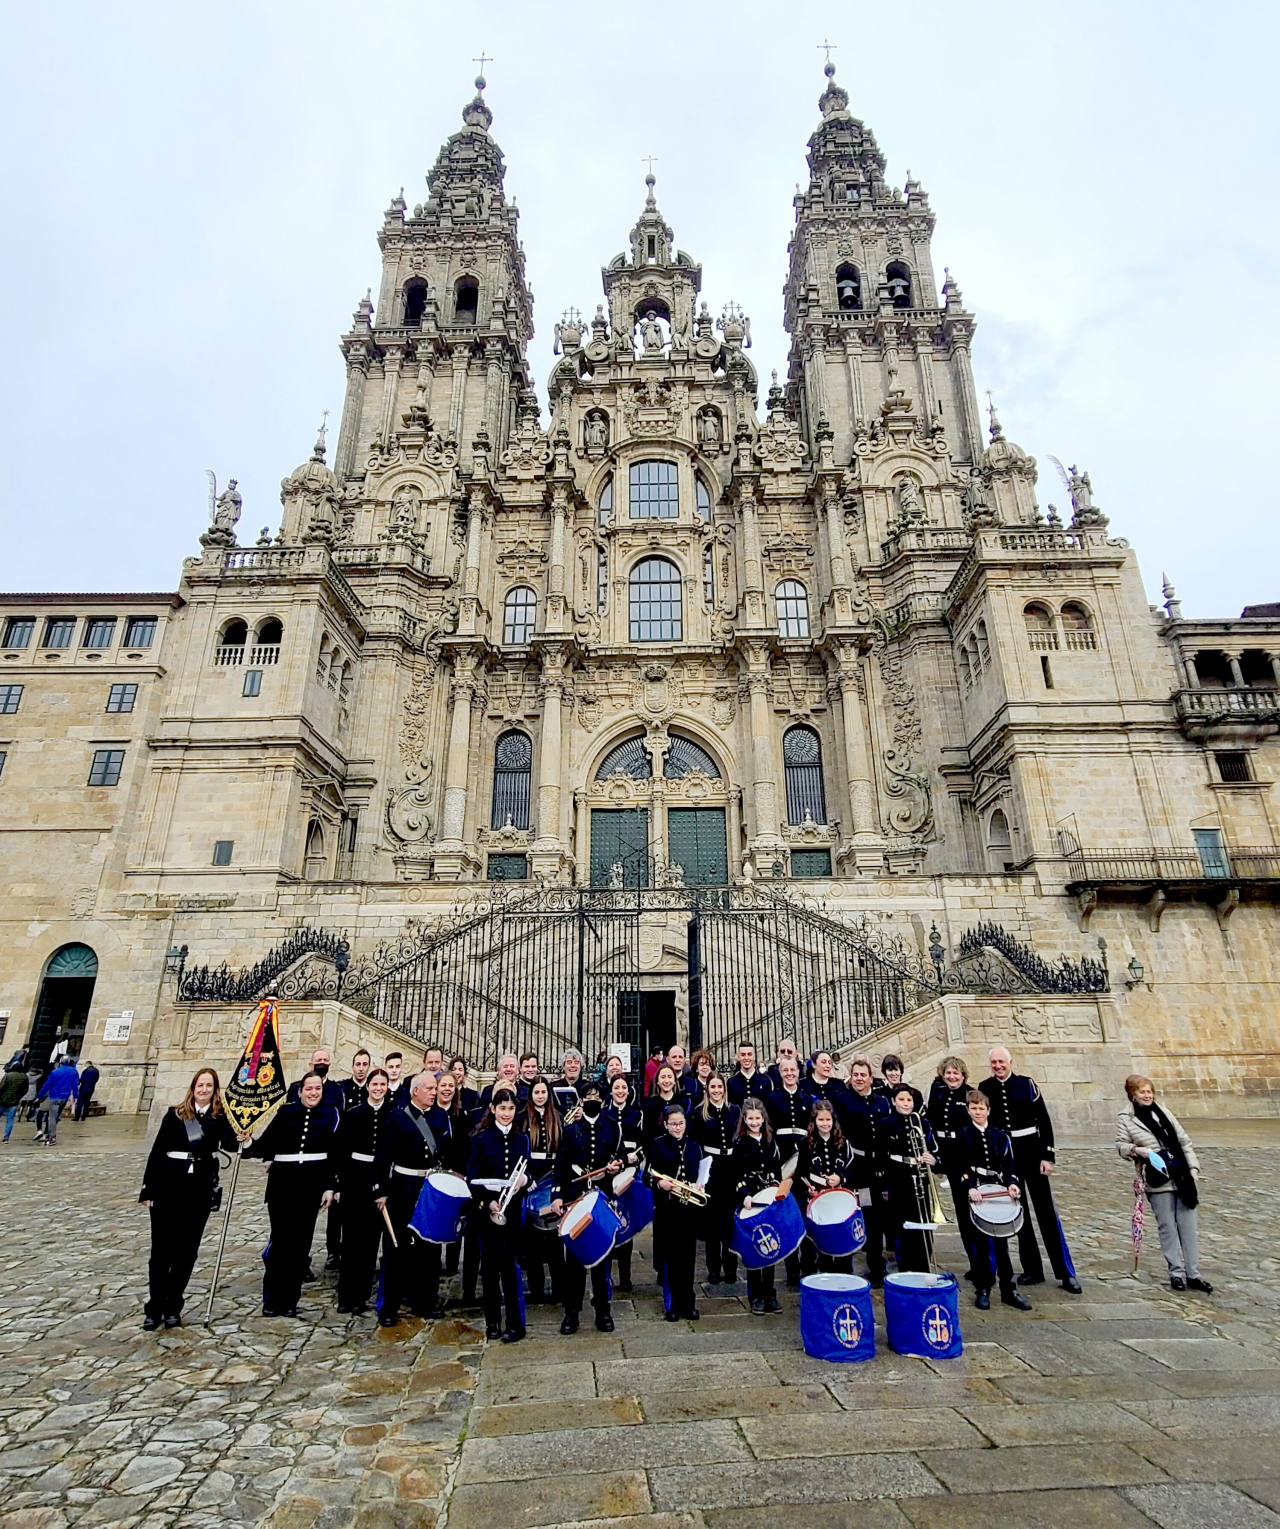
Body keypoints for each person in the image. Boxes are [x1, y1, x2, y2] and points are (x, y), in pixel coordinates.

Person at [139, 1067, 242, 1329]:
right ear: (193, 1088)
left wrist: (240, 1122)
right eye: (200, 1085)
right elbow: (158, 1151)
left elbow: (231, 1145)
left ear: (215, 1089)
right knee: (161, 1253)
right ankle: (154, 1306)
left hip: (198, 1192)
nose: (204, 1090)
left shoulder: (219, 1118)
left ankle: (173, 1304)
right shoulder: (175, 1115)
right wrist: (148, 1189)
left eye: (209, 1086)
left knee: (186, 1253)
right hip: (168, 1187)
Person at [980, 1047, 1082, 1294]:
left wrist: (1048, 1155)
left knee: (1046, 1213)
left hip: (1032, 1154)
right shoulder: (985, 1087)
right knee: (1020, 1214)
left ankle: (1065, 1272)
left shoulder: (1027, 1084)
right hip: (1007, 1159)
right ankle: (1032, 1269)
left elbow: (1043, 1120)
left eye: (1001, 1062)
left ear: (1010, 1062)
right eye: (994, 1062)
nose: (998, 1066)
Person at [249, 1071, 340, 1317]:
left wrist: (330, 1186)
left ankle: (289, 1301)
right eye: (309, 1089)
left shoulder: (330, 1114)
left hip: (310, 1189)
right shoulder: (285, 1113)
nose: (313, 1093)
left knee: (300, 1247)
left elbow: (334, 1154)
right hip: (282, 1187)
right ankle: (272, 1300)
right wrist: (247, 1142)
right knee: (280, 1245)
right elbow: (265, 1146)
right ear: (300, 1091)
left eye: (317, 1089)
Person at [1117, 1074, 1209, 1293]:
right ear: (1133, 1095)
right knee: (1167, 1227)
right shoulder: (1126, 1118)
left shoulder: (1164, 1112)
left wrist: (1194, 1168)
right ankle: (1176, 1273)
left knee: (1188, 1227)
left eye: (1150, 1091)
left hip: (1182, 1176)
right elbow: (1120, 1145)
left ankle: (1193, 1274)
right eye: (1143, 1092)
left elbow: (1184, 1141)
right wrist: (1137, 1150)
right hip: (1157, 1178)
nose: (1147, 1095)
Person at [374, 1072, 445, 1326]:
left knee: (429, 1248)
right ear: (415, 1091)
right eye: (429, 1088)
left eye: (435, 1088)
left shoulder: (439, 1116)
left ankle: (425, 1301)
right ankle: (389, 1307)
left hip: (430, 1189)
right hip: (404, 1189)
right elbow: (382, 1157)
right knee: (397, 1248)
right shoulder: (397, 1119)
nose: (434, 1092)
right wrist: (380, 1190)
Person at [553, 1079, 622, 1334]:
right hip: (577, 1201)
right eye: (588, 1097)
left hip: (601, 1201)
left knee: (602, 1260)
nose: (592, 1100)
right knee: (574, 1262)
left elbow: (621, 1158)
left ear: (602, 1102)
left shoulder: (611, 1128)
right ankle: (572, 1313)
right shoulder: (571, 1131)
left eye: (597, 1097)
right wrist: (557, 1195)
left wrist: (618, 1166)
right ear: (581, 1102)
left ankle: (603, 1311)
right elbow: (560, 1166)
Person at [954, 1090, 1031, 1311]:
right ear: (968, 1111)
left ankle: (1009, 1289)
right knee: (980, 1244)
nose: (978, 1112)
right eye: (974, 1108)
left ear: (988, 1110)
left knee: (1002, 1244)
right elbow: (961, 1165)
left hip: (998, 1190)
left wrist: (1012, 1183)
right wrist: (970, 1187)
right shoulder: (964, 1135)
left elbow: (1009, 1165)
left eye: (981, 1108)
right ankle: (983, 1288)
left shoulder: (1000, 1135)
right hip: (978, 1192)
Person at [467, 1085, 530, 1342]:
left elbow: (529, 1171)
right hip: (488, 1212)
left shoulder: (521, 1140)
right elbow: (472, 1179)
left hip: (512, 1212)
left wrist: (525, 1179)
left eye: (511, 1109)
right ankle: (492, 1321)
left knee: (509, 1266)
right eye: (502, 1108)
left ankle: (515, 1324)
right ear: (493, 1109)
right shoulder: (481, 1140)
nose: (506, 1113)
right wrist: (489, 1202)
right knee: (490, 1268)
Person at [334, 1066, 393, 1313]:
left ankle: (361, 1297)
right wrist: (337, 1184)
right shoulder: (353, 1113)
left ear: (387, 1088)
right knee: (351, 1242)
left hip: (379, 1182)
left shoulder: (392, 1115)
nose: (378, 1088)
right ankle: (346, 1296)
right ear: (368, 1087)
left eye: (382, 1084)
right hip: (355, 1179)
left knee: (371, 1242)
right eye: (374, 1084)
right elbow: (340, 1150)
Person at [839, 1055, 892, 1284]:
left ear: (871, 1078)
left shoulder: (882, 1102)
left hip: (878, 1166)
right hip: (856, 1167)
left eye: (863, 1075)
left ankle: (876, 1264)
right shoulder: (843, 1100)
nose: (859, 1079)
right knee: (854, 1215)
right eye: (856, 1075)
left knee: (876, 1217)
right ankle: (846, 1265)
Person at [649, 1103, 705, 1321]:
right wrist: (660, 1184)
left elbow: (700, 1173)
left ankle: (688, 1303)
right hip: (667, 1208)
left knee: (688, 1257)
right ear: (665, 1124)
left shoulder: (693, 1146)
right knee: (670, 1258)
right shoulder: (658, 1146)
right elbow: (648, 1177)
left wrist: (700, 1185)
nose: (677, 1128)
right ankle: (671, 1304)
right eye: (673, 1124)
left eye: (680, 1123)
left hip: (688, 1208)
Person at [928, 1056, 980, 1281]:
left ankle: (978, 1262)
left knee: (969, 1212)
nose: (951, 1077)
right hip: (945, 1154)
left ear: (963, 1075)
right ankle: (974, 1260)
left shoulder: (969, 1094)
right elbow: (932, 1123)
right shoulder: (938, 1094)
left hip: (962, 1156)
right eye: (948, 1073)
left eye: (955, 1073)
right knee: (960, 1212)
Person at [732, 1098, 786, 1314]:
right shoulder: (740, 1144)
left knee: (770, 1246)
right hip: (751, 1199)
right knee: (755, 1247)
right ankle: (755, 1295)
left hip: (768, 1199)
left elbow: (778, 1171)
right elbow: (736, 1174)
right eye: (751, 1118)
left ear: (763, 1119)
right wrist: (744, 1193)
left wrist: (776, 1188)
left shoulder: (771, 1142)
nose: (755, 1122)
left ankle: (769, 1292)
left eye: (758, 1118)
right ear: (744, 1119)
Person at [879, 1083, 939, 1274]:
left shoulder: (922, 1122)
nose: (906, 1104)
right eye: (901, 1100)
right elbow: (882, 1156)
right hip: (898, 1177)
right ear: (893, 1101)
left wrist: (933, 1158)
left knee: (922, 1220)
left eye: (909, 1100)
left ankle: (924, 1263)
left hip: (920, 1177)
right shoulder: (886, 1123)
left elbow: (933, 1147)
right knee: (901, 1225)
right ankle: (905, 1266)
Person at [767, 1056, 812, 1287]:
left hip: (803, 1161)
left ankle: (808, 1266)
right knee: (788, 1215)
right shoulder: (773, 1099)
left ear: (798, 1071)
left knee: (806, 1213)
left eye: (793, 1069)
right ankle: (792, 1268)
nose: (789, 1073)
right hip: (783, 1160)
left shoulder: (807, 1099)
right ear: (780, 1072)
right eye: (785, 1070)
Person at [691, 1074, 739, 1286]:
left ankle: (730, 1267)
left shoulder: (734, 1110)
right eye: (713, 1086)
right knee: (712, 1223)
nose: (717, 1090)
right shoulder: (700, 1113)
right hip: (711, 1168)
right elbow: (696, 1145)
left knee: (730, 1221)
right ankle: (713, 1268)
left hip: (730, 1167)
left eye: (720, 1086)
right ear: (707, 1089)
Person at [797, 1100, 855, 1274]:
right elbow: (801, 1172)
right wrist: (809, 1188)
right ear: (814, 1121)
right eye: (821, 1120)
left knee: (841, 1241)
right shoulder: (805, 1143)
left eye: (828, 1120)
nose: (825, 1124)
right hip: (817, 1200)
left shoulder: (843, 1143)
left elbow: (852, 1169)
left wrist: (840, 1177)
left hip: (838, 1201)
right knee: (815, 1243)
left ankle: (844, 1276)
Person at [520, 1079, 565, 1304]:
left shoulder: (557, 1116)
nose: (540, 1096)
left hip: (553, 1177)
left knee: (556, 1241)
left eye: (543, 1092)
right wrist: (527, 1179)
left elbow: (564, 1151)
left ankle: (559, 1288)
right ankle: (536, 1288)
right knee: (533, 1242)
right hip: (532, 1180)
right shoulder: (522, 1117)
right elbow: (520, 1151)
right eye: (536, 1092)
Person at [604, 1073, 643, 1293]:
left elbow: (642, 1141)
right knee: (609, 1224)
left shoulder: (636, 1114)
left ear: (628, 1091)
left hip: (629, 1173)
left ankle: (625, 1276)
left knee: (626, 1224)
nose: (620, 1091)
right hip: (610, 1174)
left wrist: (635, 1157)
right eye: (616, 1087)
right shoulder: (605, 1114)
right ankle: (607, 1275)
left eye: (624, 1088)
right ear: (611, 1091)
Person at [35, 1056, 79, 1145]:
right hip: (65, 1097)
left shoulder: (55, 1072)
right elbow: (75, 1085)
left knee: (52, 1117)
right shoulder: (73, 1071)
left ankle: (51, 1137)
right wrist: (75, 1096)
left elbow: (47, 1085)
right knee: (56, 1117)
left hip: (54, 1096)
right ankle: (48, 1134)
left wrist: (39, 1096)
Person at [642, 1064, 683, 1145]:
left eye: (670, 1077)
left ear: (675, 1081)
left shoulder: (684, 1102)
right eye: (663, 1077)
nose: (666, 1080)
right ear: (657, 1081)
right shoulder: (649, 1105)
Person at [1, 1058, 28, 1141]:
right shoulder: (24, 1077)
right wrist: (19, 1097)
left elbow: (1, 1087)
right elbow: (25, 1089)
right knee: (10, 1120)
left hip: (3, 1100)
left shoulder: (8, 1075)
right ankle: (6, 1137)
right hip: (15, 1101)